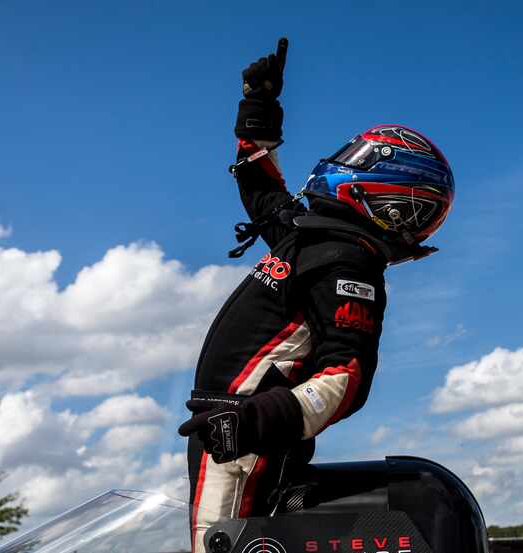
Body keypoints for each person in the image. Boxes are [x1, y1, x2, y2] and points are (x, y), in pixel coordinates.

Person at [178, 37, 455, 553]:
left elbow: (346, 377)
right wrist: (258, 106)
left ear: (390, 195)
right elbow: (263, 197)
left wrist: (252, 422)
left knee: (214, 547)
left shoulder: (350, 261)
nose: (343, 161)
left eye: (362, 158)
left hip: (245, 439)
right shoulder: (317, 237)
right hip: (229, 428)